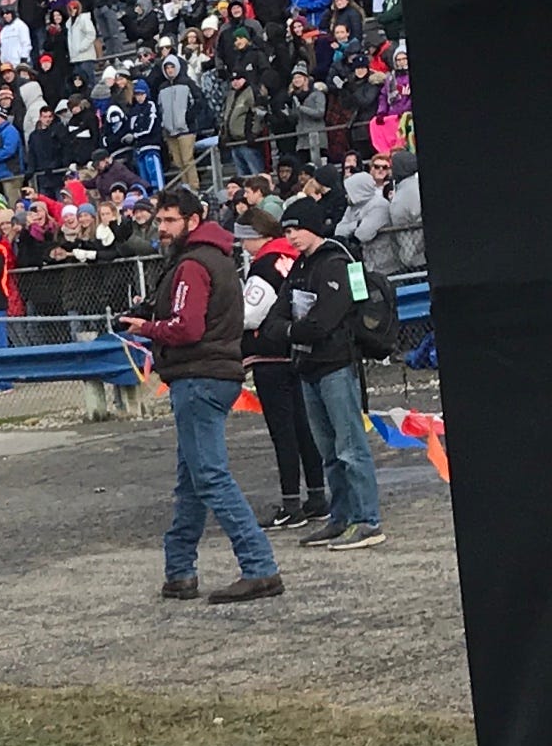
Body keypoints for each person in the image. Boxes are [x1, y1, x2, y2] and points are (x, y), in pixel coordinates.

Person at [118, 185, 283, 604]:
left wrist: (146, 327)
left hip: (199, 376)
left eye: (170, 220)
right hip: (212, 374)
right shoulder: (216, 259)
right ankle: (179, 572)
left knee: (208, 476)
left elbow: (188, 328)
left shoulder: (193, 264)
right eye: (160, 220)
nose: (163, 227)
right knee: (192, 479)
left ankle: (260, 567)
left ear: (193, 221)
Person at [278, 199, 383, 549]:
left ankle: (367, 520)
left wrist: (289, 330)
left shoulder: (334, 263)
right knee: (330, 452)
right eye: (287, 231)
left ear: (313, 226)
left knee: (350, 447)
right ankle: (341, 517)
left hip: (337, 365)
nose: (291, 236)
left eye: (296, 228)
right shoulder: (300, 267)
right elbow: (277, 316)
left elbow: (323, 322)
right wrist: (293, 329)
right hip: (309, 367)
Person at [239, 208, 327, 527]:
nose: (242, 246)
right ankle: (317, 496)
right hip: (298, 351)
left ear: (255, 237)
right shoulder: (295, 258)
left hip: (270, 355)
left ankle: (291, 503)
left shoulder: (265, 264)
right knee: (305, 429)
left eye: (244, 239)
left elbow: (250, 313)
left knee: (283, 432)